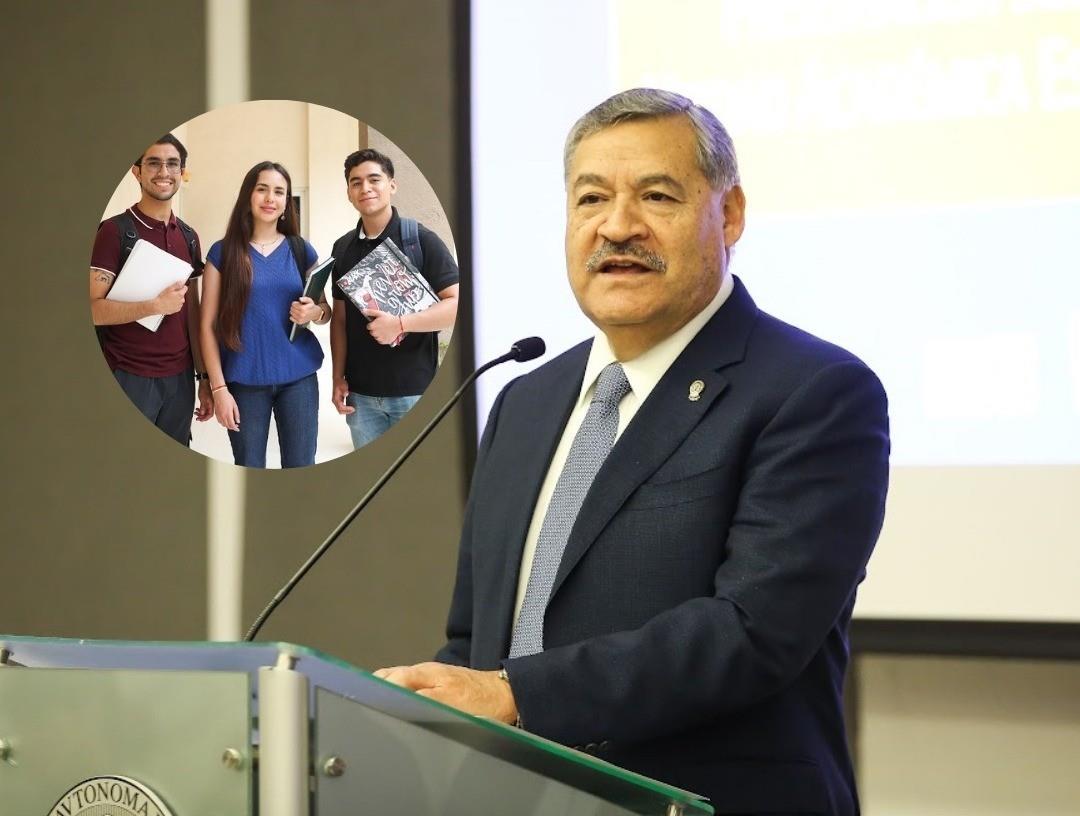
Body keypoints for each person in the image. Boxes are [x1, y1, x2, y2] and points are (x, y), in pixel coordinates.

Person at [375, 89, 890, 815]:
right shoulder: (523, 402)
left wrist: (516, 694)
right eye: (591, 199)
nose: (618, 227)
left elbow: (753, 631)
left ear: (729, 214)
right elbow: (477, 639)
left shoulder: (815, 392)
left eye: (657, 196)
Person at [199, 161, 330, 469]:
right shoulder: (222, 253)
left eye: (279, 192)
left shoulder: (301, 250)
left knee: (301, 466)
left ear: (286, 203)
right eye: (262, 189)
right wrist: (218, 389)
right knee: (249, 465)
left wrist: (314, 311)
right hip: (243, 383)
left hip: (298, 380)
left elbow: (325, 312)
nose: (270, 198)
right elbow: (207, 326)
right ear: (249, 196)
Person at [329, 148, 460, 448]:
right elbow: (339, 319)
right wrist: (338, 377)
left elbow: (455, 305)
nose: (366, 188)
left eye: (374, 179)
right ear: (349, 192)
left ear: (392, 185)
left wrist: (400, 323)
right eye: (356, 182)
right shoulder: (342, 248)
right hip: (360, 398)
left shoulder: (420, 239)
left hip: (414, 392)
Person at [89, 134, 212, 445]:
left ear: (182, 172)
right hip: (128, 376)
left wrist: (205, 378)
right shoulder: (113, 232)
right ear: (136, 171)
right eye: (153, 163)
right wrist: (153, 306)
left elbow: (193, 316)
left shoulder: (189, 236)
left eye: (172, 164)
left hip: (180, 379)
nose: (164, 172)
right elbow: (92, 310)